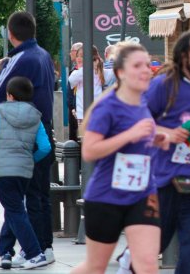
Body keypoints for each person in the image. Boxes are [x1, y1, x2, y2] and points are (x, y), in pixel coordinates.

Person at [118, 30, 190, 274]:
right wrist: (167, 133)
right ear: (183, 56)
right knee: (156, 243)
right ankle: (130, 260)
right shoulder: (163, 85)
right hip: (163, 180)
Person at [71, 43, 169, 274]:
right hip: (107, 196)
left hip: (143, 193)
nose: (146, 70)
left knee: (147, 264)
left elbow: (138, 139)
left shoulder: (144, 102)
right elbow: (89, 151)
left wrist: (155, 138)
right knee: (96, 267)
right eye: (137, 65)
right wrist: (131, 134)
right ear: (120, 72)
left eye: (147, 64)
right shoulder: (107, 107)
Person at [0, 11, 57, 266]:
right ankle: (43, 247)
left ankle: (33, 250)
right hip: (43, 127)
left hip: (23, 134)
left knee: (24, 195)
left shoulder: (21, 58)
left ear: (10, 33)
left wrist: (4, 66)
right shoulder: (43, 55)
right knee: (39, 193)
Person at [0, 76, 51, 270]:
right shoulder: (36, 115)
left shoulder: (0, 113)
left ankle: (35, 252)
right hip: (24, 171)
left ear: (9, 95)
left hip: (3, 171)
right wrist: (31, 159)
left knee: (15, 210)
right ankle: (5, 252)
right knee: (13, 208)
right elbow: (45, 147)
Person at [68, 45, 113, 124]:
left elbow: (114, 74)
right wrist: (88, 67)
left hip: (97, 112)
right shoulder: (77, 73)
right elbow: (71, 80)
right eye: (77, 56)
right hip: (83, 113)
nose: (78, 58)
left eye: (82, 56)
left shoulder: (101, 72)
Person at [68, 42, 83, 141]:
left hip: (78, 109)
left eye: (72, 51)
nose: (70, 54)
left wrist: (73, 107)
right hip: (74, 108)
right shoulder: (74, 70)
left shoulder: (78, 72)